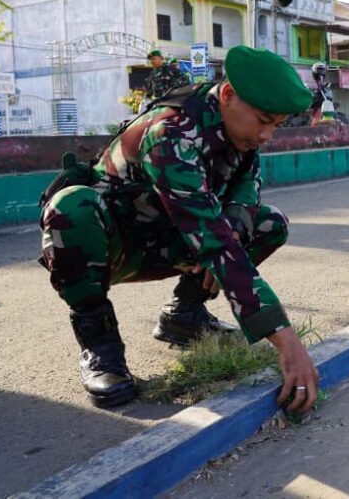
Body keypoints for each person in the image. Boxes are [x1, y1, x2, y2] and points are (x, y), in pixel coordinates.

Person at [39, 46, 318, 412]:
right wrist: (288, 344)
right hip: (114, 245)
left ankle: (184, 316)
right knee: (71, 206)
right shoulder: (172, 132)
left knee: (267, 223)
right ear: (229, 95)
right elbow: (214, 241)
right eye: (263, 120)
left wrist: (231, 230)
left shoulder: (239, 131)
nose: (267, 135)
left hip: (171, 237)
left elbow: (246, 194)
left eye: (275, 126)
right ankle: (101, 349)